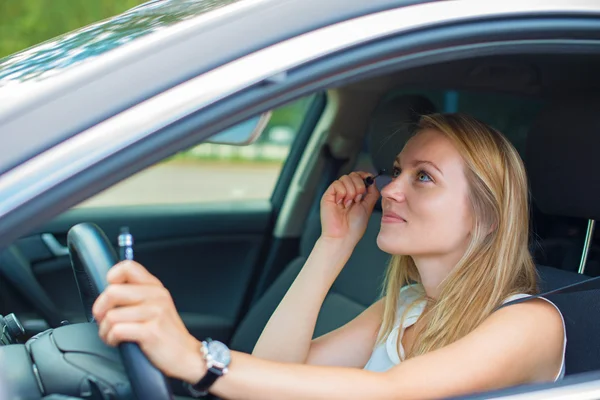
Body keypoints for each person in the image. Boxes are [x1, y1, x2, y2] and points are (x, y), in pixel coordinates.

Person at [92, 113, 566, 399]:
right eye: (396, 171)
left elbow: (394, 393)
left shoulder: (530, 323)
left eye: (424, 177)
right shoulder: (405, 307)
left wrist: (200, 359)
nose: (390, 190)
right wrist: (333, 244)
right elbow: (279, 368)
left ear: (486, 216)